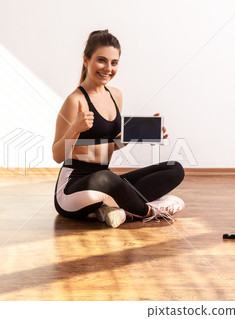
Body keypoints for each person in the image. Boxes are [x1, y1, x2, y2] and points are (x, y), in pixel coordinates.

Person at [52, 30, 185, 228]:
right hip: (72, 189)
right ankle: (148, 211)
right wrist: (75, 129)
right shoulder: (75, 100)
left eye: (114, 63)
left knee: (174, 169)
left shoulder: (115, 95)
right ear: (86, 60)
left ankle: (118, 209)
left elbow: (111, 145)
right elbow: (57, 155)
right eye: (101, 60)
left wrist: (139, 135)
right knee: (108, 178)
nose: (108, 68)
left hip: (106, 183)